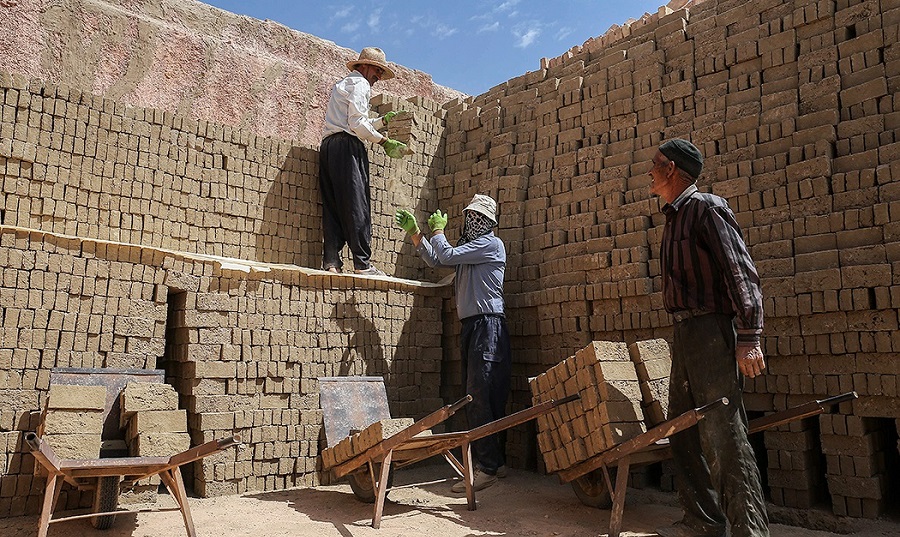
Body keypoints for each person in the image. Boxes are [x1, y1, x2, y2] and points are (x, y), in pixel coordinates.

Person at [650, 138, 769, 537]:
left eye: (655, 164)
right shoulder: (673, 217)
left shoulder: (707, 209)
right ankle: (702, 524)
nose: (648, 171)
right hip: (684, 333)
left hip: (711, 333)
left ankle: (750, 532)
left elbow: (741, 272)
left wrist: (749, 335)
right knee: (683, 432)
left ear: (671, 170)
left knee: (724, 438)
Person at [395, 195, 511, 492]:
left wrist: (436, 232)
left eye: (479, 218)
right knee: (480, 394)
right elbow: (437, 259)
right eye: (470, 215)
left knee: (480, 393)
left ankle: (487, 468)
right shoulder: (469, 249)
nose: (473, 221)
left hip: (488, 325)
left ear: (489, 223)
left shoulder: (490, 244)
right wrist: (416, 234)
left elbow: (444, 255)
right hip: (473, 326)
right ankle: (494, 462)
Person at [319, 47, 407, 276]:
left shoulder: (343, 84)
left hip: (329, 147)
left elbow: (356, 120)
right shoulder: (361, 85)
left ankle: (331, 262)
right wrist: (383, 141)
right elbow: (357, 125)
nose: (378, 77)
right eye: (377, 70)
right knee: (357, 204)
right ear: (365, 66)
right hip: (348, 147)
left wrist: (380, 121)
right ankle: (362, 264)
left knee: (333, 206)